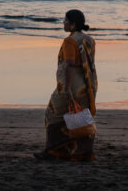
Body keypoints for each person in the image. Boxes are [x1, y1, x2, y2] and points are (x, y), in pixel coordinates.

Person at [35, 9, 98, 161]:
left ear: (73, 24)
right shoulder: (89, 39)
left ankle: (53, 151)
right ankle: (82, 152)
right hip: (87, 85)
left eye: (65, 20)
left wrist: (67, 89)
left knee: (53, 115)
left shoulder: (70, 41)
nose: (63, 23)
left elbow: (69, 65)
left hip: (72, 85)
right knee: (80, 117)